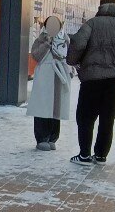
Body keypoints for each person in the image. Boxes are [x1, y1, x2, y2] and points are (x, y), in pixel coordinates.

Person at [66, 0, 115, 166]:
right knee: (107, 118)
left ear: (101, 6)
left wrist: (72, 60)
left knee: (85, 117)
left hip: (91, 79)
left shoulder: (92, 24)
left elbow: (78, 44)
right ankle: (101, 155)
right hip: (114, 80)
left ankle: (84, 155)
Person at [27, 16, 71, 151]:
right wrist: (47, 43)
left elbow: (69, 56)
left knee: (56, 108)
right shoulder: (41, 39)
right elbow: (36, 56)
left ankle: (52, 137)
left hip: (59, 75)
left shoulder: (65, 39)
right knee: (43, 106)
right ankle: (41, 138)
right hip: (45, 76)